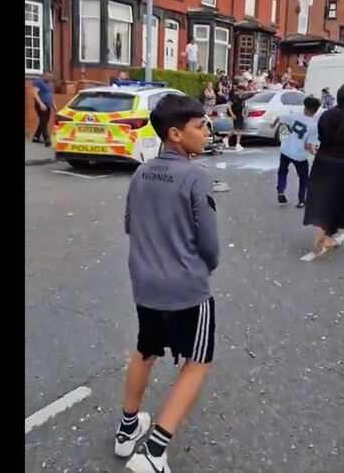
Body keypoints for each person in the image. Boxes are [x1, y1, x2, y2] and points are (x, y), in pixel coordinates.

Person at [117, 94, 219, 473]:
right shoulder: (196, 176)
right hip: (187, 288)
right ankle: (154, 451)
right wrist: (207, 267)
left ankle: (127, 429)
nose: (206, 130)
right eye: (198, 125)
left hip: (145, 284)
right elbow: (209, 243)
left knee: (146, 349)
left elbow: (130, 224)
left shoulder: (141, 172)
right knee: (198, 361)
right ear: (175, 134)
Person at [303, 84, 344, 256]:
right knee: (338, 199)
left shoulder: (326, 115)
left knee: (322, 196)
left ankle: (324, 234)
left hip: (323, 160)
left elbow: (321, 135)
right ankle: (325, 237)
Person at [272, 96, 320, 208]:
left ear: (304, 107)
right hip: (299, 155)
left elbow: (279, 118)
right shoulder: (314, 126)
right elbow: (308, 145)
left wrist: (273, 124)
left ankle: (280, 192)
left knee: (282, 171)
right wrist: (314, 152)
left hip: (286, 150)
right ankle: (301, 200)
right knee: (303, 177)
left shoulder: (294, 116)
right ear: (316, 111)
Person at [32, 71, 55, 147]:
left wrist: (53, 104)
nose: (50, 78)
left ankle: (36, 137)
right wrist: (41, 103)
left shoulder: (49, 83)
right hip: (41, 105)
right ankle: (47, 139)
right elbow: (35, 94)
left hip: (47, 105)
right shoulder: (38, 82)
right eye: (49, 76)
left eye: (51, 76)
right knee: (44, 122)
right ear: (44, 75)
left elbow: (50, 94)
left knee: (44, 121)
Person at [224, 82, 247, 152]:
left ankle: (238, 144)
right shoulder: (235, 97)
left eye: (243, 90)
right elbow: (229, 106)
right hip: (235, 114)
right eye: (241, 90)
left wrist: (243, 114)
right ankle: (226, 138)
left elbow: (243, 107)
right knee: (235, 129)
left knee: (240, 130)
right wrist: (232, 114)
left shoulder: (243, 98)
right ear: (238, 90)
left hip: (240, 115)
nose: (242, 92)